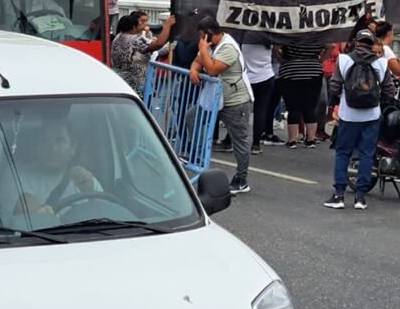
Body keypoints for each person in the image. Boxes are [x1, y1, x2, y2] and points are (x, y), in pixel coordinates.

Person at [324, 29, 393, 210]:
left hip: (348, 115)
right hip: (372, 115)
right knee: (366, 154)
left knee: (343, 153)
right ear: (372, 45)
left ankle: (339, 195)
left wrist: (341, 101)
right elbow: (389, 91)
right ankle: (360, 197)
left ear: (356, 42)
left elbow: (334, 85)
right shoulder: (381, 63)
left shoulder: (344, 59)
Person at [190, 17, 254, 195]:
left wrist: (203, 51)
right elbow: (197, 62)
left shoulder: (228, 47)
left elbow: (211, 69)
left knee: (239, 140)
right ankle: (197, 157)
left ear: (210, 33)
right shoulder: (210, 46)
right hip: (214, 99)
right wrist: (194, 70)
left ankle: (242, 178)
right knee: (192, 117)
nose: (200, 40)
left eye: (203, 36)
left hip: (235, 101)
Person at [11, 119, 102, 215]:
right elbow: (19, 219)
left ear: (73, 148)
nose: (53, 148)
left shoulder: (84, 179)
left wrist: (92, 195)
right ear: (36, 147)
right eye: (45, 140)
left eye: (60, 140)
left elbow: (109, 217)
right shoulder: (17, 177)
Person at [110, 13, 176, 93]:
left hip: (119, 80)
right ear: (134, 27)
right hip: (134, 83)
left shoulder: (118, 37)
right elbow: (158, 44)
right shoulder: (134, 40)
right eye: (141, 22)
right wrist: (167, 26)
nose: (145, 25)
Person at [278, 41, 326, 147]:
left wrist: (282, 61)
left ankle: (292, 141)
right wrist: (320, 60)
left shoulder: (289, 33)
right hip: (313, 70)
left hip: (290, 71)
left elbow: (276, 46)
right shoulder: (315, 33)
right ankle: (310, 140)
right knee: (310, 107)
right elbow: (330, 46)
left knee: (293, 107)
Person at [242, 43, 279, 156]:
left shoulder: (245, 40)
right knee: (260, 111)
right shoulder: (268, 41)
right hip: (266, 76)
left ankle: (232, 140)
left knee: (240, 111)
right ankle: (256, 144)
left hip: (247, 78)